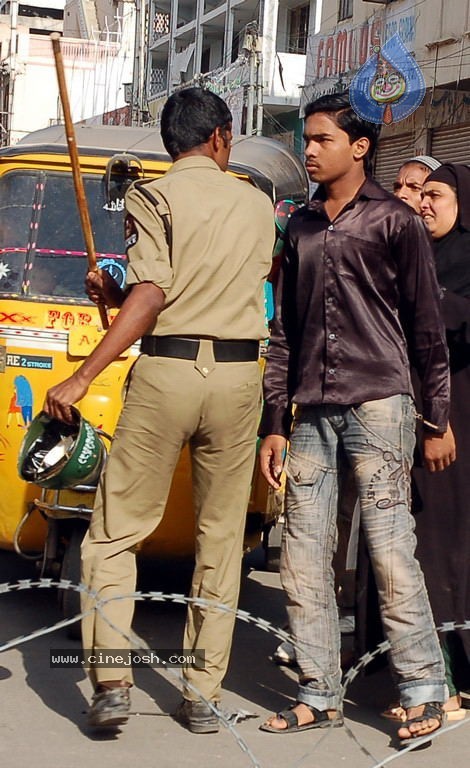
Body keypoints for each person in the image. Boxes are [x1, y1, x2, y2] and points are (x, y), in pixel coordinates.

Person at [44, 87, 275, 733]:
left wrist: (85, 374)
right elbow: (189, 289)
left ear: (175, 143)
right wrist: (118, 294)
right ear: (222, 138)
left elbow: (157, 293)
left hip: (168, 371)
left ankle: (113, 682)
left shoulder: (153, 196)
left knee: (116, 532)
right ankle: (201, 694)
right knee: (221, 539)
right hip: (236, 378)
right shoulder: (259, 205)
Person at [257, 91, 455, 746]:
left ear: (359, 147)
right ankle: (318, 689)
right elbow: (284, 329)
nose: (308, 150)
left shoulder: (395, 221)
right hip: (311, 410)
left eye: (320, 139)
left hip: (380, 406)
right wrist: (275, 423)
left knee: (390, 548)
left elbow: (427, 327)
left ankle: (426, 689)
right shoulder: (304, 225)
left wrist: (436, 419)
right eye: (306, 140)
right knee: (303, 554)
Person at [414, 163, 470, 716]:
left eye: (437, 195)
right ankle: (426, 674)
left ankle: (457, 673)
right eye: (421, 195)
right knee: (419, 544)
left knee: (456, 544)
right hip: (415, 414)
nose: (425, 203)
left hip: (458, 419)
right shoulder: (411, 256)